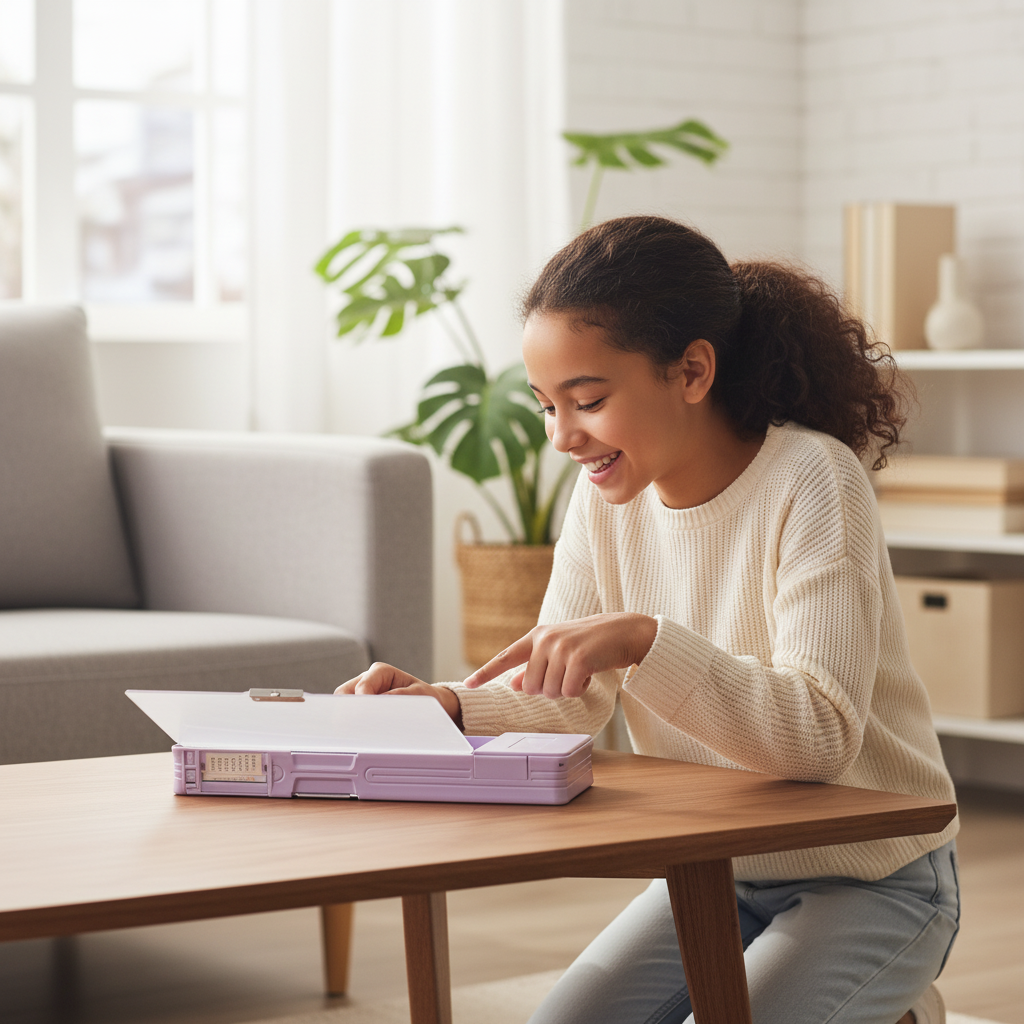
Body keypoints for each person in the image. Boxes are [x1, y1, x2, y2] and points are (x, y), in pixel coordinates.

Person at [336, 215, 960, 1024]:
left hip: (877, 876)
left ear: (692, 371)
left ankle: (898, 1006)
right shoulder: (605, 503)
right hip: (720, 870)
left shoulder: (813, 481)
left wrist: (643, 640)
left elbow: (820, 735)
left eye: (587, 400)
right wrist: (448, 705)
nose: (563, 436)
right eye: (545, 406)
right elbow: (572, 698)